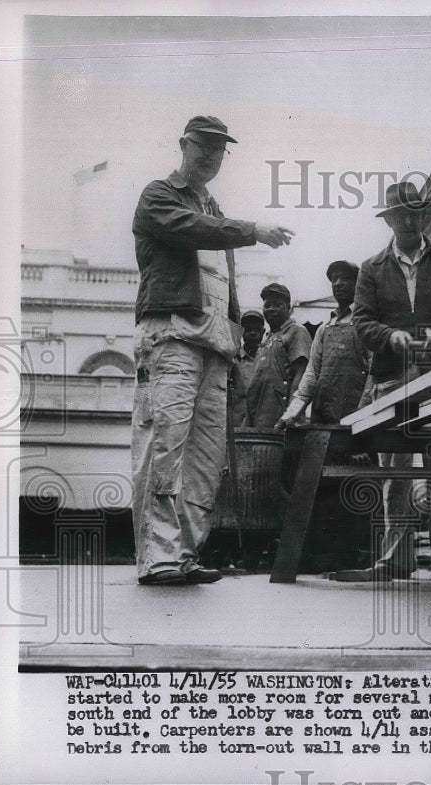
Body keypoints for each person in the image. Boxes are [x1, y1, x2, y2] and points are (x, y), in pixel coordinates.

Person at [131, 115, 293, 586]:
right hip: (173, 336)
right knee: (165, 445)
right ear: (184, 144)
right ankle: (158, 556)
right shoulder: (158, 194)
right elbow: (191, 229)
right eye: (203, 145)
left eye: (220, 148)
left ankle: (183, 553)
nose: (211, 155)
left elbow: (223, 277)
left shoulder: (213, 209)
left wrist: (234, 341)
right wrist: (250, 229)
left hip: (214, 346)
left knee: (204, 456)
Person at [332, 181, 431, 582]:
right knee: (396, 469)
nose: (410, 221)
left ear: (422, 216)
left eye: (416, 213)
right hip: (391, 379)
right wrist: (389, 337)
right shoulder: (372, 267)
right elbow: (362, 320)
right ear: (391, 221)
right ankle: (397, 557)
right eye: (402, 215)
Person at [276, 261, 369, 428]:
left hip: (355, 420)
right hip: (321, 419)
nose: (338, 283)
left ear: (359, 284)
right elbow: (311, 375)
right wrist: (291, 414)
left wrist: (362, 417)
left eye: (345, 278)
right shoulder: (324, 329)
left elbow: (373, 375)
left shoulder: (366, 324)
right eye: (334, 279)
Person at [243, 283, 312, 428]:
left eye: (277, 304)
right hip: (259, 420)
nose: (271, 309)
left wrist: (291, 415)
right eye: (267, 305)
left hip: (281, 422)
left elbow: (302, 375)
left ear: (289, 307)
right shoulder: (268, 338)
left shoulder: (296, 331)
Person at [229, 309, 265, 428]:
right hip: (237, 425)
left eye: (256, 330)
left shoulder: (268, 358)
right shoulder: (233, 359)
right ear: (241, 332)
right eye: (248, 329)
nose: (253, 333)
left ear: (263, 332)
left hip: (261, 425)